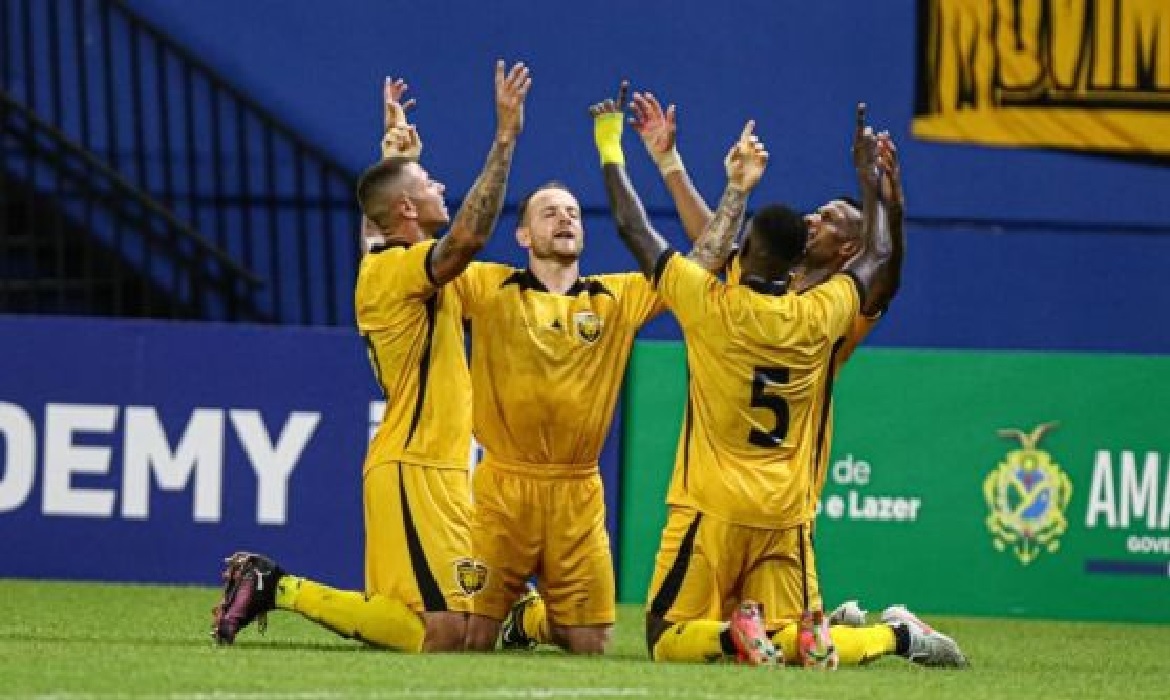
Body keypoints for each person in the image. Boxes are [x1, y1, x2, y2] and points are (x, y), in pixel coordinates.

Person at [595, 93, 961, 667]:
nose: (817, 218)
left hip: (728, 500)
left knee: (672, 636)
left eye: (831, 220)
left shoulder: (746, 306)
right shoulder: (823, 313)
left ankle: (837, 630)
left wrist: (626, 150)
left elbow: (665, 243)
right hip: (781, 505)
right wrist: (878, 188)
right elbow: (870, 260)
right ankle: (892, 636)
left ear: (846, 249)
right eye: (814, 215)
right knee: (789, 643)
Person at [209, 60, 532, 653]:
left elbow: (381, 226)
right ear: (407, 210)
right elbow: (466, 239)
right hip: (414, 466)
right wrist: (505, 138)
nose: (439, 189)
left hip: (435, 466)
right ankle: (276, 587)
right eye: (428, 184)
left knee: (448, 627)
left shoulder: (392, 259)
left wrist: (389, 154)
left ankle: (273, 585)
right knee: (446, 634)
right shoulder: (395, 270)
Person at [454, 83, 770, 655]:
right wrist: (500, 139)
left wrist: (736, 190)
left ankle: (529, 621)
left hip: (577, 491)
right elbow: (452, 243)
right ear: (523, 234)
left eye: (573, 213)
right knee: (465, 638)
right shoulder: (487, 286)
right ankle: (514, 618)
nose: (564, 219)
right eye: (548, 213)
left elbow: (705, 262)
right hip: (501, 490)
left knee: (591, 645)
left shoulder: (616, 297)